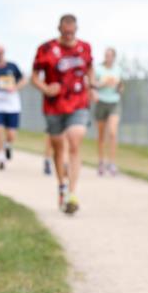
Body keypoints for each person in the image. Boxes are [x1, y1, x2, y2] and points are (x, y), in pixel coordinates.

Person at [32, 14, 93, 214]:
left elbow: (89, 69)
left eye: (72, 32)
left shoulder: (84, 47)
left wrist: (92, 85)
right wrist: (45, 88)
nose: (68, 35)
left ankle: (72, 193)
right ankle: (62, 186)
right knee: (59, 148)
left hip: (78, 102)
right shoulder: (46, 49)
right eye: (65, 32)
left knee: (74, 140)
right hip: (54, 105)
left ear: (76, 30)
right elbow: (34, 77)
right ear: (59, 29)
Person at [0, 45, 26, 170]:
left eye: (1, 52)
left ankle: (8, 145)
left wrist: (15, 87)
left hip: (12, 102)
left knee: (11, 134)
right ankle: (1, 157)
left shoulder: (12, 67)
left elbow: (24, 79)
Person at [91, 46, 123, 176]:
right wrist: (103, 83)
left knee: (113, 133)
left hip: (114, 102)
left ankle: (112, 163)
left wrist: (118, 87)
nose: (107, 57)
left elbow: (121, 87)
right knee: (101, 135)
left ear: (114, 57)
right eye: (106, 55)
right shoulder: (98, 69)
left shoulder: (118, 69)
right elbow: (92, 85)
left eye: (109, 55)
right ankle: (101, 162)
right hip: (101, 102)